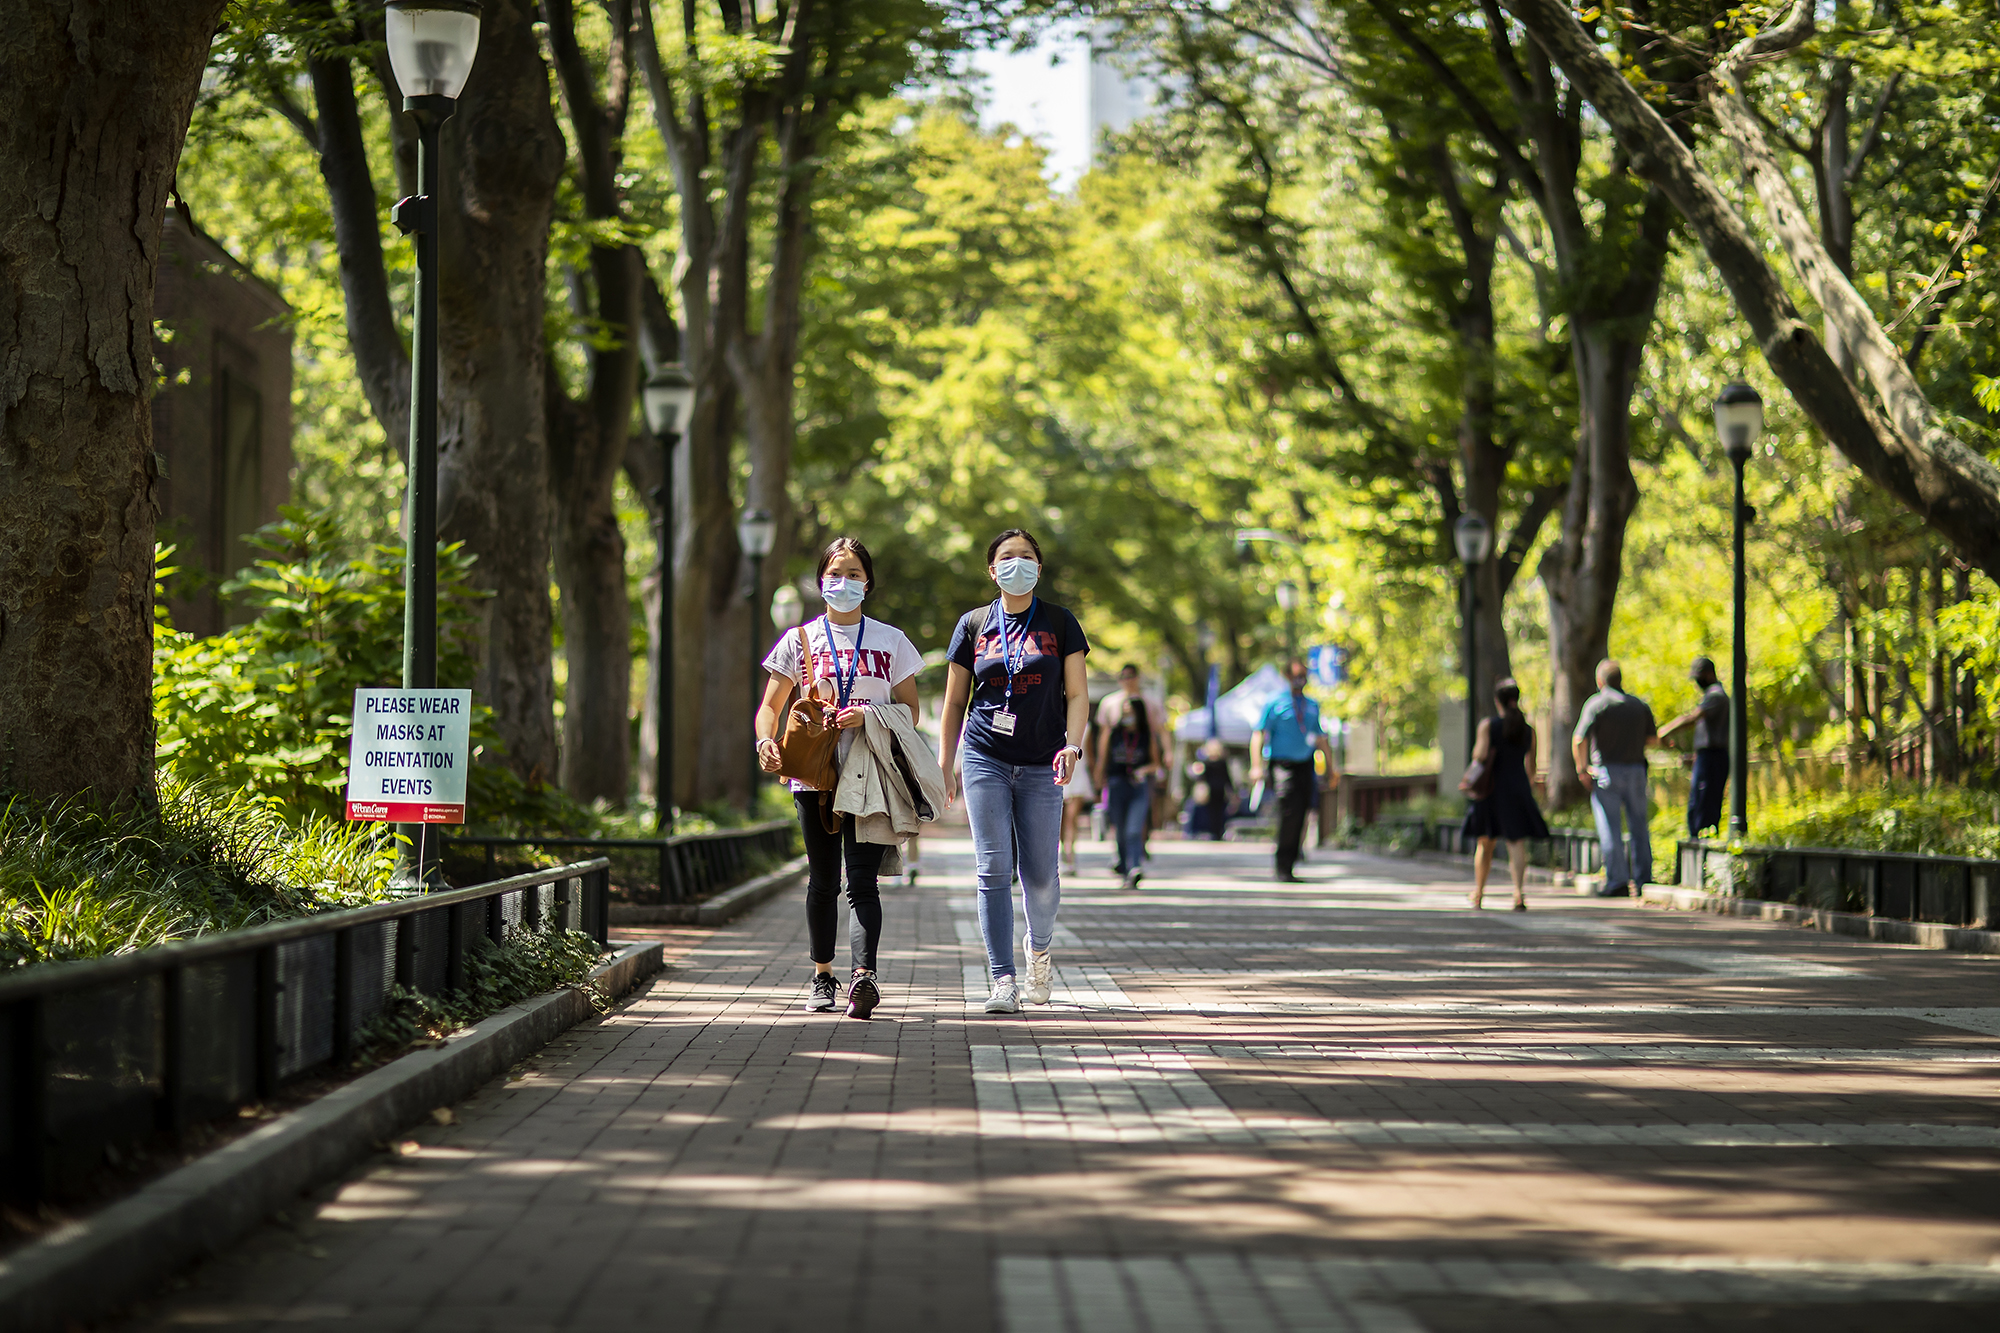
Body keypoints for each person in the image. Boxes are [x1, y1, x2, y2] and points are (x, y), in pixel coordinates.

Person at [753, 538, 922, 1019]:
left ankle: (863, 978)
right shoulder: (799, 640)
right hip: (814, 777)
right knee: (824, 880)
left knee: (862, 881)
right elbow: (770, 707)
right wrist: (767, 742)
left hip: (870, 774)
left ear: (868, 581)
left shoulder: (891, 640)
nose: (843, 582)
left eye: (853, 574)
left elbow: (912, 710)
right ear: (820, 579)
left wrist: (866, 714)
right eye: (834, 573)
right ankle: (823, 975)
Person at [939, 529, 1091, 1015]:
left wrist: (1073, 746)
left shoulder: (1060, 622)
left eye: (1027, 557)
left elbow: (1079, 695)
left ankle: (1039, 949)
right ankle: (1002, 978)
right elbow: (954, 702)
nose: (1017, 564)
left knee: (1042, 876)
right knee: (992, 869)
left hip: (1044, 760)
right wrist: (946, 762)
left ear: (1039, 569)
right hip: (985, 755)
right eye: (1008, 557)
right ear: (992, 569)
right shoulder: (973, 624)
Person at [1570, 658, 1659, 897]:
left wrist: (1582, 769)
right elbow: (1652, 739)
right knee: (1639, 826)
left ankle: (1617, 881)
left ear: (1600, 681)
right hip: (1637, 772)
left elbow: (1579, 738)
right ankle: (1643, 880)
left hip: (1606, 772)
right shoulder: (1639, 705)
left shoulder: (1597, 704)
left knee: (1610, 828)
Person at [1461, 678, 1550, 911]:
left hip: (1491, 790)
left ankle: (1479, 893)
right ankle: (1519, 893)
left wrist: (1468, 779)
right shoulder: (1528, 730)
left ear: (1496, 700)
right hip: (1517, 788)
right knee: (1516, 842)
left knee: (1485, 843)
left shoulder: (1488, 726)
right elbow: (1532, 767)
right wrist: (1531, 787)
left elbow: (1479, 757)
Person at [1249, 658, 1339, 882]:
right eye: (1296, 675)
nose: (1300, 680)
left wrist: (1331, 768)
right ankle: (1282, 863)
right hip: (1282, 765)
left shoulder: (1312, 705)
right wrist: (1256, 766)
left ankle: (1292, 861)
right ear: (1287, 676)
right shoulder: (1275, 702)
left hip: (1305, 764)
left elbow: (1320, 738)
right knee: (1288, 810)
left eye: (1303, 676)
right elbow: (1259, 734)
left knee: (1304, 811)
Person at [1096, 664, 1168, 869]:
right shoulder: (1109, 705)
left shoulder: (1151, 705)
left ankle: (1135, 864)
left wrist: (1166, 756)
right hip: (1117, 779)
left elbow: (1161, 732)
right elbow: (1103, 742)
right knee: (1119, 826)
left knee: (1135, 827)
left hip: (1139, 782)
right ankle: (1123, 860)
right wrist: (1099, 771)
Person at [1660, 656, 1730, 837]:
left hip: (1714, 757)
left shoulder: (1716, 695)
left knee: (1706, 804)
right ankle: (1697, 840)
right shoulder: (1710, 695)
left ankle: (1704, 843)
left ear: (1708, 675)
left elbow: (1693, 718)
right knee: (1698, 802)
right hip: (1706, 756)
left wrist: (1666, 730)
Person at [1059, 716, 1098, 874]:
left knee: (1071, 819)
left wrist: (1095, 777)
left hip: (1078, 775)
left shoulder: (1085, 726)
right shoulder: (1054, 721)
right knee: (1059, 820)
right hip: (1056, 773)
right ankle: (1062, 853)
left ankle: (1071, 856)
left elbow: (1089, 755)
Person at [1188, 738, 1235, 840]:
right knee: (1213, 813)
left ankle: (1218, 831)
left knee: (1220, 812)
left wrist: (1232, 792)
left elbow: (1227, 778)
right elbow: (1201, 778)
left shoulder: (1221, 763)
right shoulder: (1206, 763)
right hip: (1211, 792)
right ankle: (1215, 831)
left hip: (1220, 792)